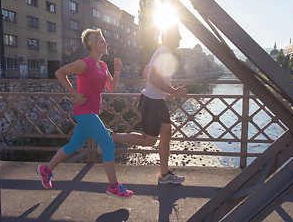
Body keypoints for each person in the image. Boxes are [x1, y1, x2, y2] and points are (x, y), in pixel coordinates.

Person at [36, 28, 133, 198]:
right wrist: (74, 93)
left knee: (73, 146)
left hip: (91, 112)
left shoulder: (102, 65)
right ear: (92, 44)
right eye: (102, 41)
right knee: (108, 144)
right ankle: (113, 187)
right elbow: (60, 73)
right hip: (85, 112)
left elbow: (112, 87)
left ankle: (46, 169)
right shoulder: (84, 63)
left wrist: (117, 70)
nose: (106, 43)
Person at [111, 24, 187, 184]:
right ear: (171, 37)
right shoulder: (165, 53)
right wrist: (174, 91)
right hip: (152, 102)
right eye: (178, 35)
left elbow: (146, 72)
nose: (180, 38)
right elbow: (152, 76)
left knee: (166, 133)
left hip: (157, 100)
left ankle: (164, 175)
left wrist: (161, 89)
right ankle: (111, 137)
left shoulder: (162, 52)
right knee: (149, 140)